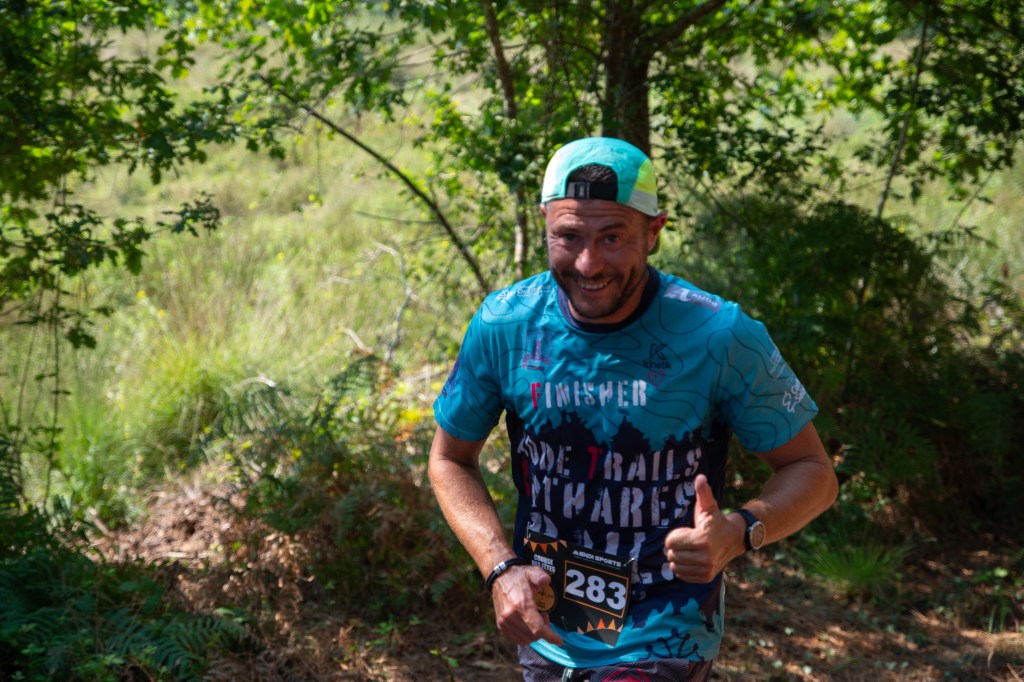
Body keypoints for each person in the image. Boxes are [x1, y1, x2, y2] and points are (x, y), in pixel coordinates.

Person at [428, 137, 838, 681]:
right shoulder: (507, 324)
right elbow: (450, 459)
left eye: (612, 237)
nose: (588, 263)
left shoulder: (717, 334)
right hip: (548, 628)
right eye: (569, 237)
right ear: (545, 224)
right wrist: (500, 568)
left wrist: (740, 531)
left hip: (666, 630)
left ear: (654, 231)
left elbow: (812, 471)